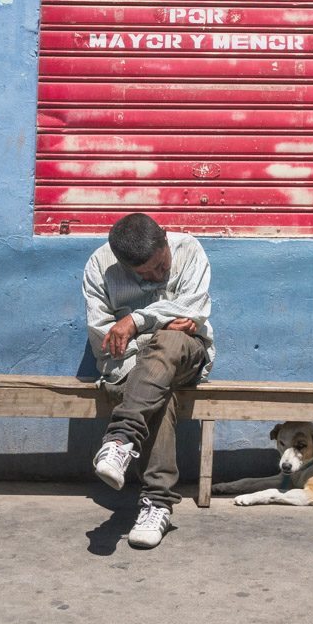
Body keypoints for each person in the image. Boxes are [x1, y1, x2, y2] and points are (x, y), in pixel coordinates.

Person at [83, 212, 214, 548]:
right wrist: (156, 328)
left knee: (168, 343)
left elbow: (193, 309)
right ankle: (157, 503)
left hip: (186, 353)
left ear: (166, 239)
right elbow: (104, 337)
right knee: (159, 390)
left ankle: (121, 439)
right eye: (143, 274)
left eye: (161, 265)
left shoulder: (190, 250)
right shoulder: (99, 268)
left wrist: (134, 322)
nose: (157, 275)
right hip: (127, 364)